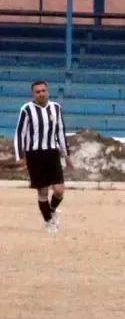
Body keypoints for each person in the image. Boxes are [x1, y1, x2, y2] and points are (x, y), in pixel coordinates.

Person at [13, 80, 73, 233]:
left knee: (59, 190)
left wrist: (67, 155)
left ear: (48, 91)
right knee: (43, 192)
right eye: (37, 91)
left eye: (43, 90)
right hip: (34, 154)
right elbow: (20, 133)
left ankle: (51, 211)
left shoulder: (56, 108)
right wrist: (20, 155)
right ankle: (49, 222)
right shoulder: (26, 109)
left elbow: (60, 132)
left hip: (52, 153)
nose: (41, 94)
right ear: (33, 94)